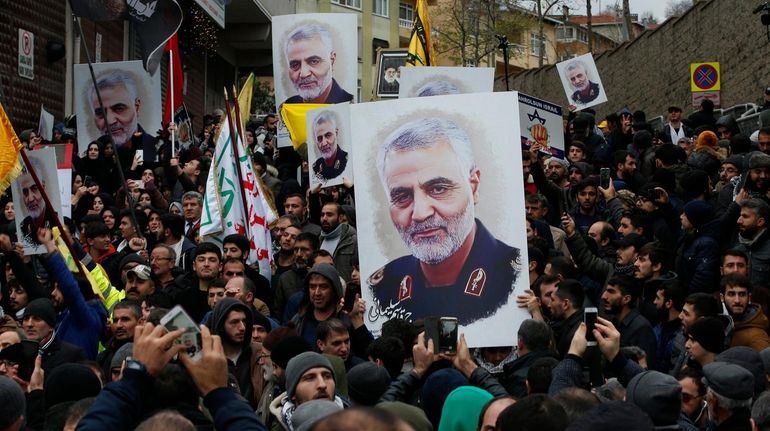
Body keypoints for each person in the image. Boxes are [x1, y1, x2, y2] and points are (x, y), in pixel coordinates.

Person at [367, 117, 522, 326]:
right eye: (402, 196)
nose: (420, 214)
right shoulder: (381, 288)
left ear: (473, 187)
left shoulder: (515, 279)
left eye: (438, 189)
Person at [283, 24, 353, 104]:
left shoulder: (350, 105)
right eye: (295, 65)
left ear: (332, 60)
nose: (303, 74)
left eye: (314, 61)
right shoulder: (288, 105)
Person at [17, 158, 50, 248]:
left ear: (43, 187)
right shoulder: (23, 227)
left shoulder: (56, 222)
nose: (30, 198)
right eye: (25, 192)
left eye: (35, 188)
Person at [311, 110, 349, 183]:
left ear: (336, 133)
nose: (324, 143)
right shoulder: (315, 167)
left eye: (328, 135)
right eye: (319, 138)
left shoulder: (347, 160)